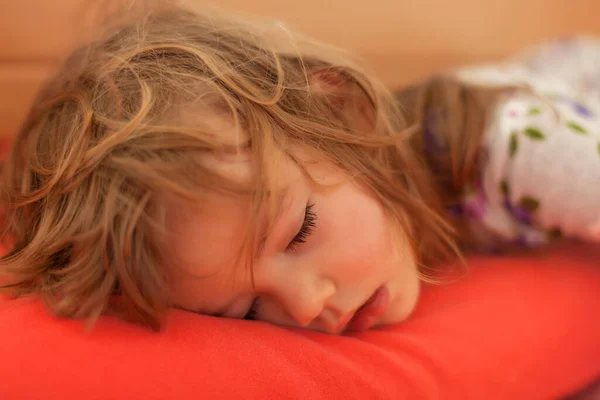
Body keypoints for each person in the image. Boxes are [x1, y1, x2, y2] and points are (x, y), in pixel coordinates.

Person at [0, 3, 597, 334]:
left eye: (301, 231)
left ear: (341, 112)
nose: (308, 306)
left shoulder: (520, 148)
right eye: (249, 311)